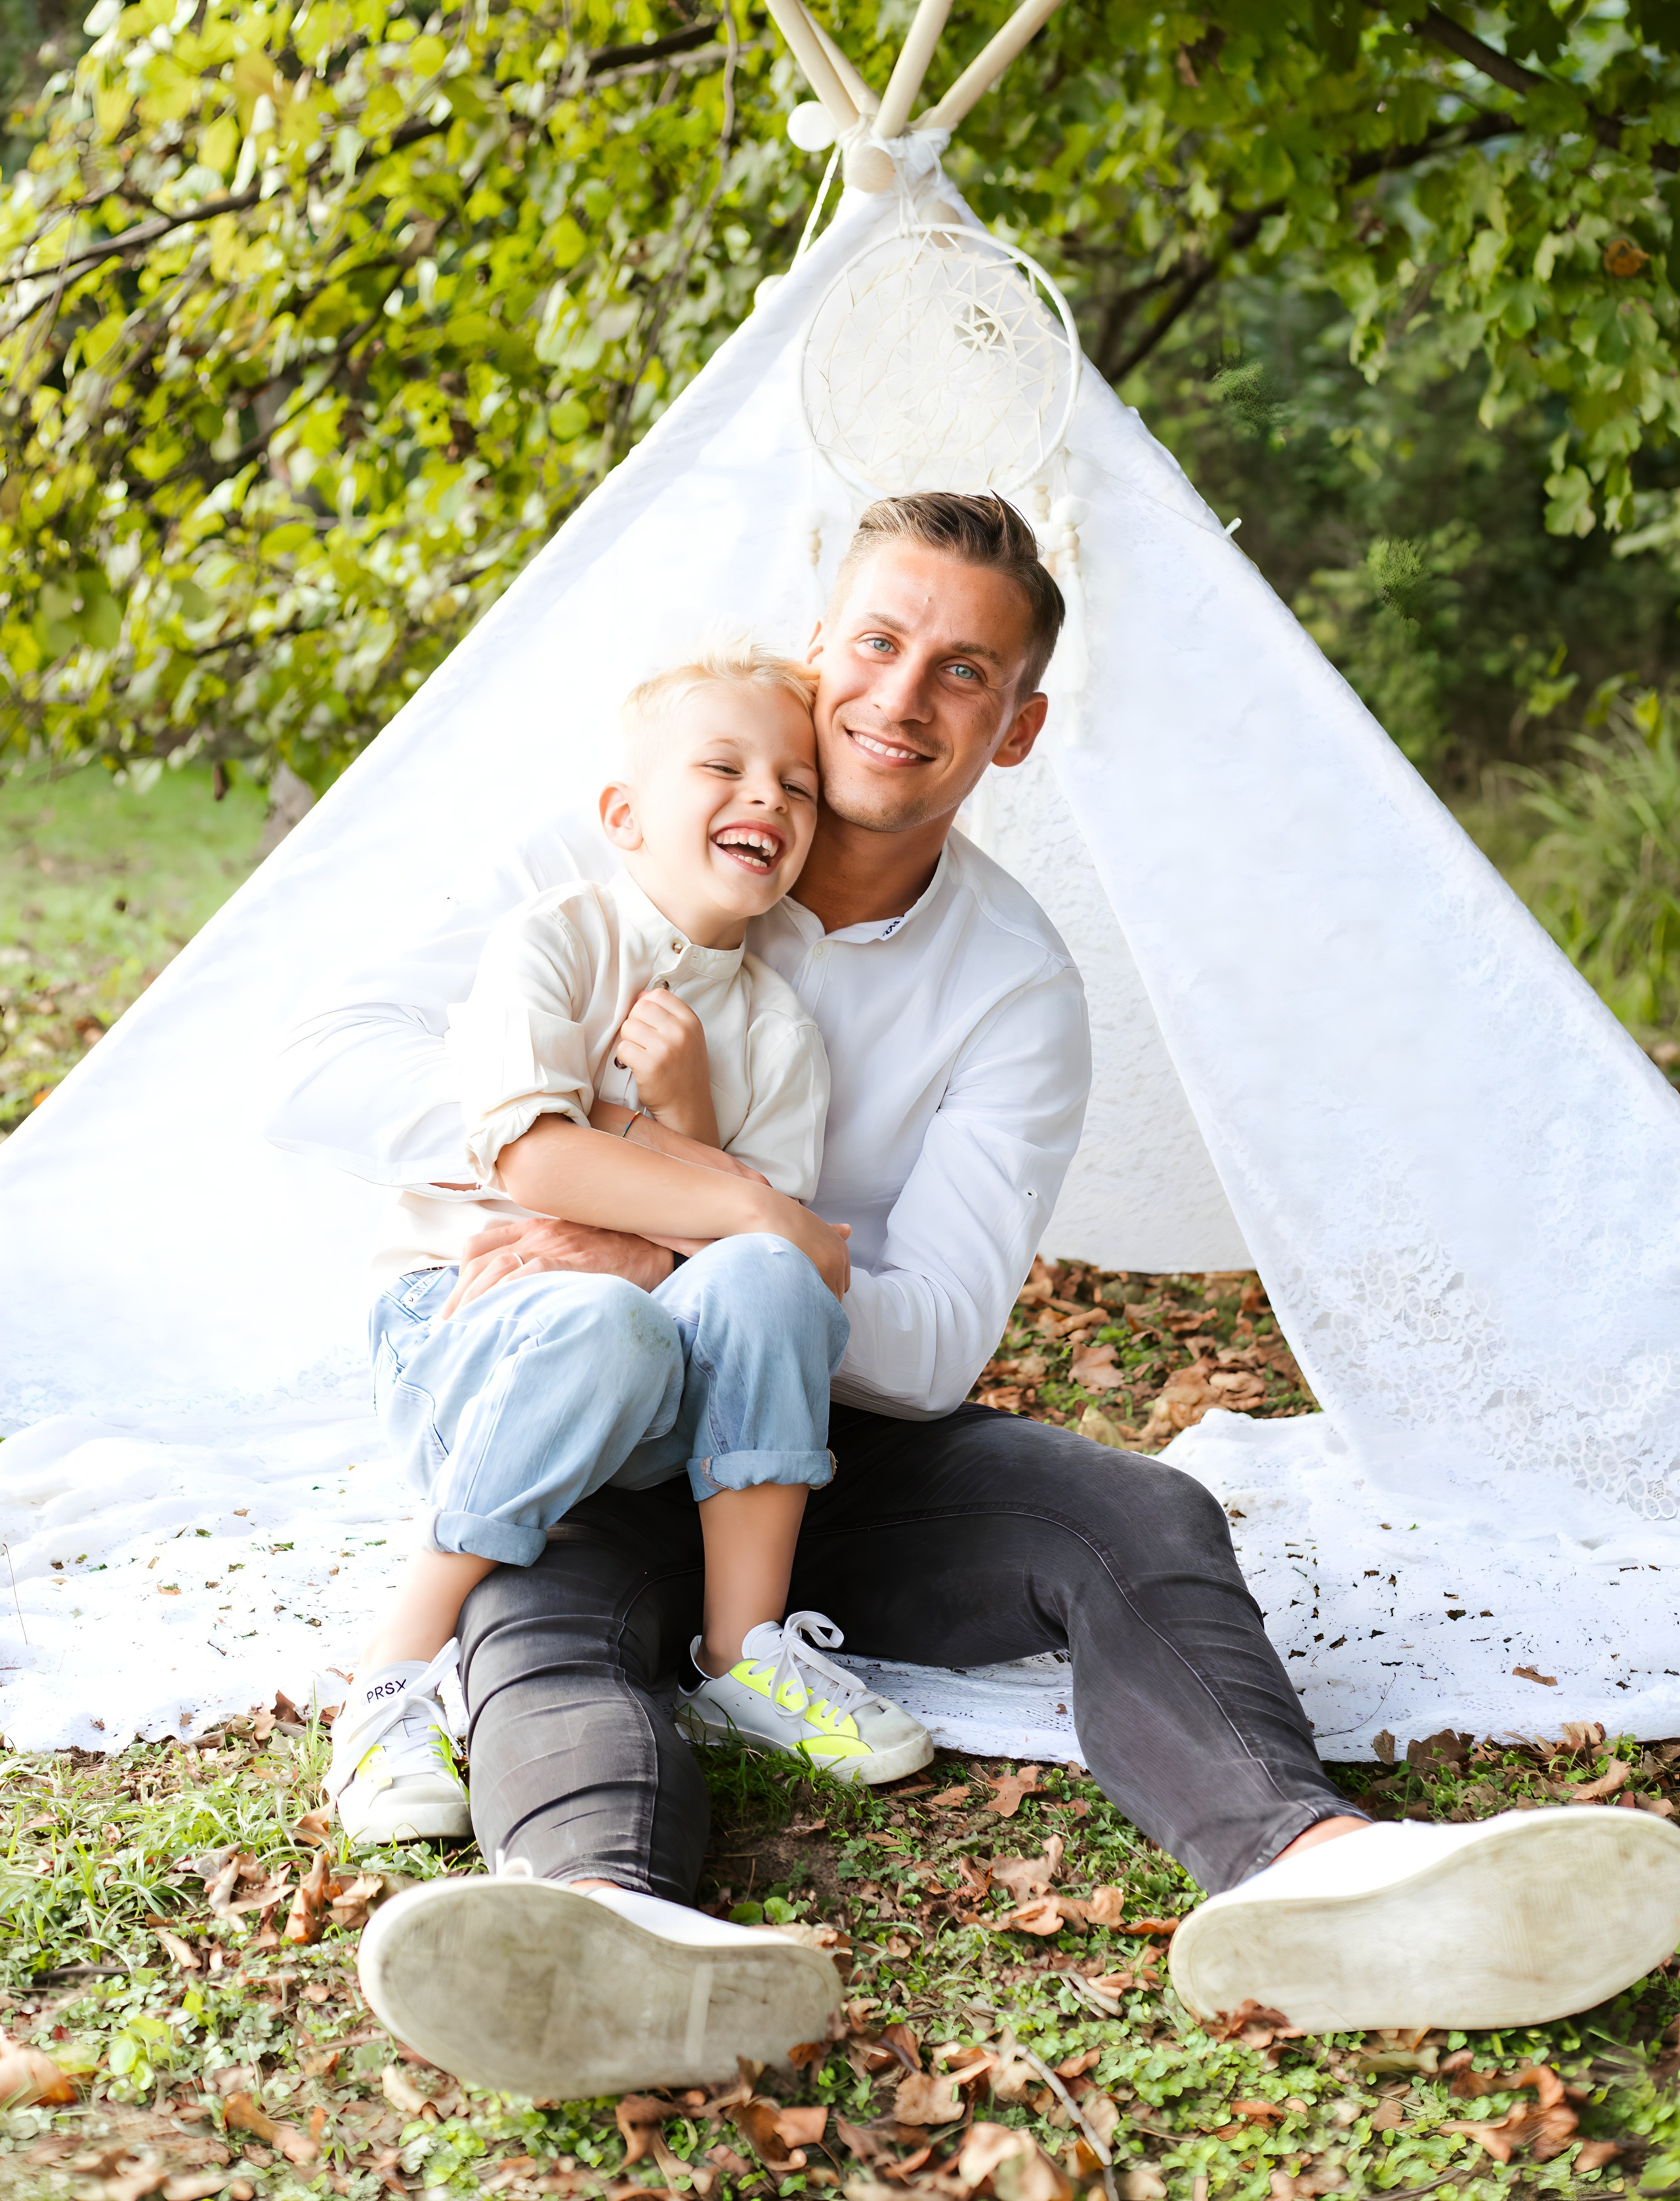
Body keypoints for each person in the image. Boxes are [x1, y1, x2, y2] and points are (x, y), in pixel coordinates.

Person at [272, 490, 1680, 2099]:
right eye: (876, 640)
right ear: (817, 650)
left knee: (1134, 1516)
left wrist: (708, 1246)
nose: (898, 694)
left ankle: (1315, 1872)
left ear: (1011, 731)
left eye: (960, 672)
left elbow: (931, 1340)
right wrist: (616, 1191)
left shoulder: (1009, 983)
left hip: (809, 1442)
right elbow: (317, 1073)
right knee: (545, 1614)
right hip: (571, 1403)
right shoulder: (615, 837)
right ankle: (599, 1927)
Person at [316, 645, 933, 1849]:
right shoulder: (552, 944)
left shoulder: (778, 1034)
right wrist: (745, 1197)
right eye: (723, 765)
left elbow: (756, 1289)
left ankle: (743, 1654)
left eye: (797, 784)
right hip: (465, 1334)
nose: (768, 796)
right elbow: (529, 1162)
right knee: (631, 1304)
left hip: (652, 1383)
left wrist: (681, 1131)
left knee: (739, 1280)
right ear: (625, 814)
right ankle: (388, 1683)